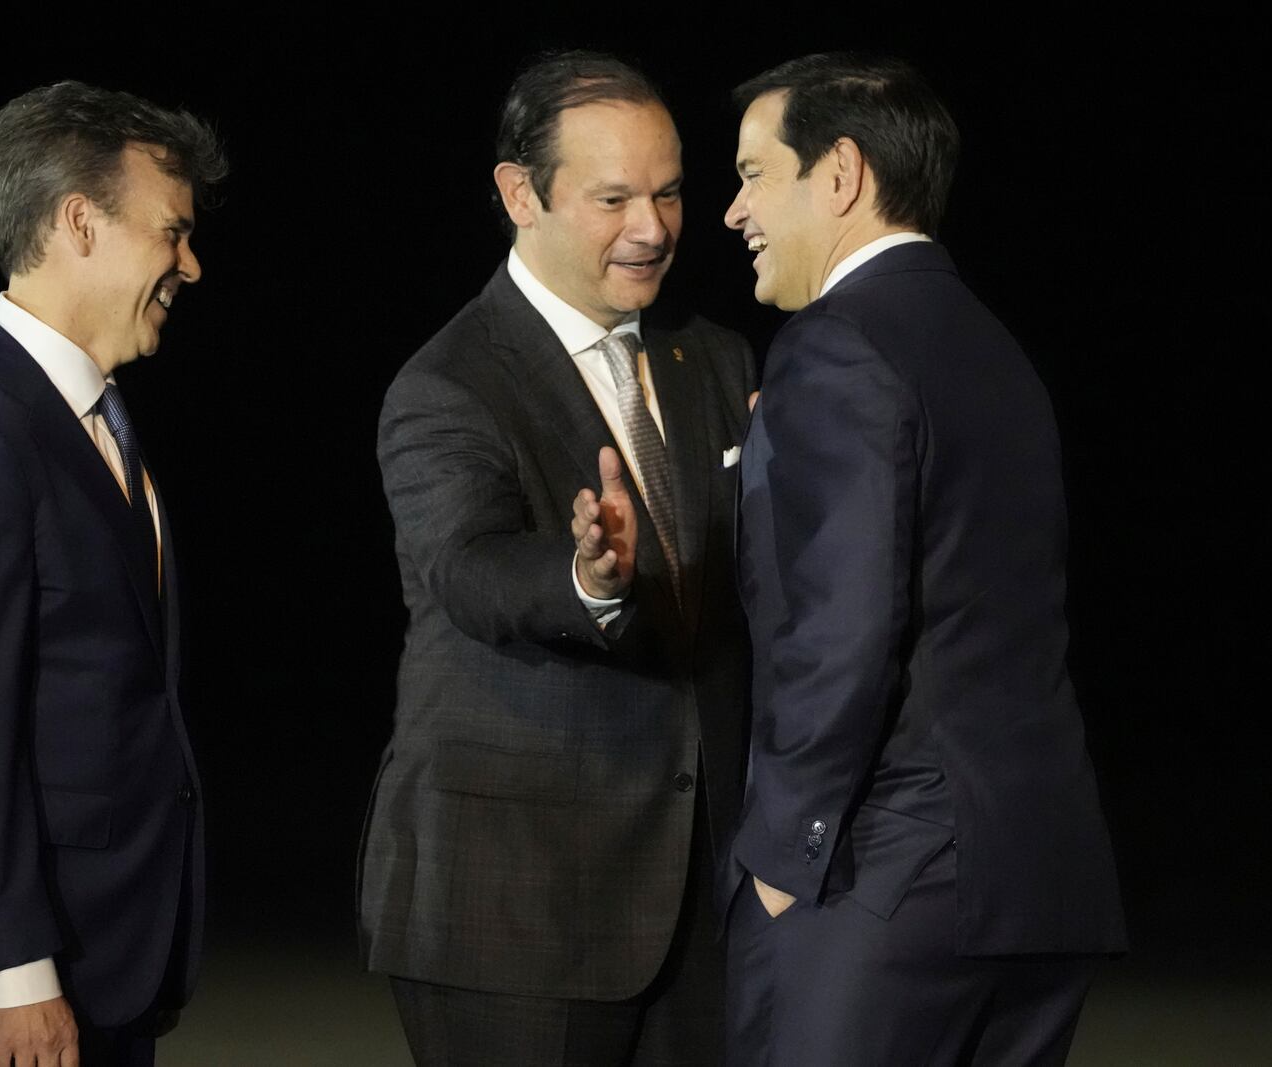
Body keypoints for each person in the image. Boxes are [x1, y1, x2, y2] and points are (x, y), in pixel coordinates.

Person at [721, 53, 1127, 1066]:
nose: (734, 210)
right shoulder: (996, 350)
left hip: (885, 881)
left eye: (752, 173)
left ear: (841, 174)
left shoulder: (834, 345)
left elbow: (842, 623)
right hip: (1039, 876)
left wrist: (783, 857)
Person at [358, 50, 756, 1066]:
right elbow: (469, 568)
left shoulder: (712, 354)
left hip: (703, 907)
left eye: (669, 193)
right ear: (518, 193)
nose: (653, 227)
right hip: (517, 914)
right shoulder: (445, 384)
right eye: (613, 196)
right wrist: (586, 576)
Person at [0, 80, 226, 1067]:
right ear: (79, 224)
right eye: (172, 232)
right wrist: (18, 973)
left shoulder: (89, 416)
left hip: (102, 959)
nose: (191, 263)